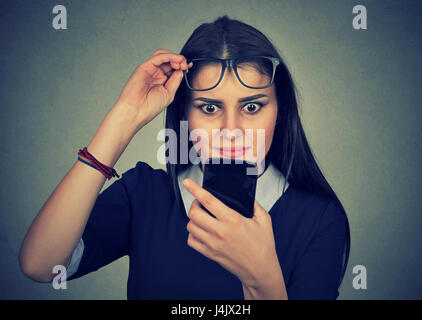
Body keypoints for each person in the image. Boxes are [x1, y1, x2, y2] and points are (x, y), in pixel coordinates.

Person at [18, 15, 350, 300]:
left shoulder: (320, 220)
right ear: (185, 116)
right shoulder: (146, 194)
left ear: (279, 112)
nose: (231, 131)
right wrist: (125, 115)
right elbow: (41, 265)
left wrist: (262, 279)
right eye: (209, 107)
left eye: (252, 107)